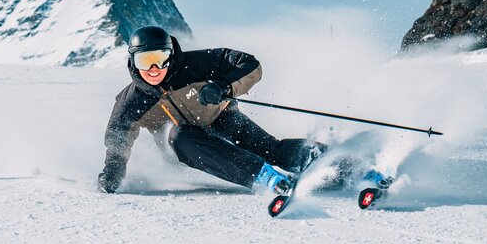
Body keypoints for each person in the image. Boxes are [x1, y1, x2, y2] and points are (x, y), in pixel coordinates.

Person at [98, 26, 325, 196]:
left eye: (160, 58)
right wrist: (113, 172)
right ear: (133, 60)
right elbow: (118, 138)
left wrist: (222, 86)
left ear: (171, 54)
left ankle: (332, 161)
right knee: (180, 135)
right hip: (185, 148)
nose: (154, 69)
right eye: (145, 61)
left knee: (271, 149)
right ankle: (264, 176)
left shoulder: (194, 65)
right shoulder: (132, 100)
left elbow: (249, 64)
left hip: (222, 119)